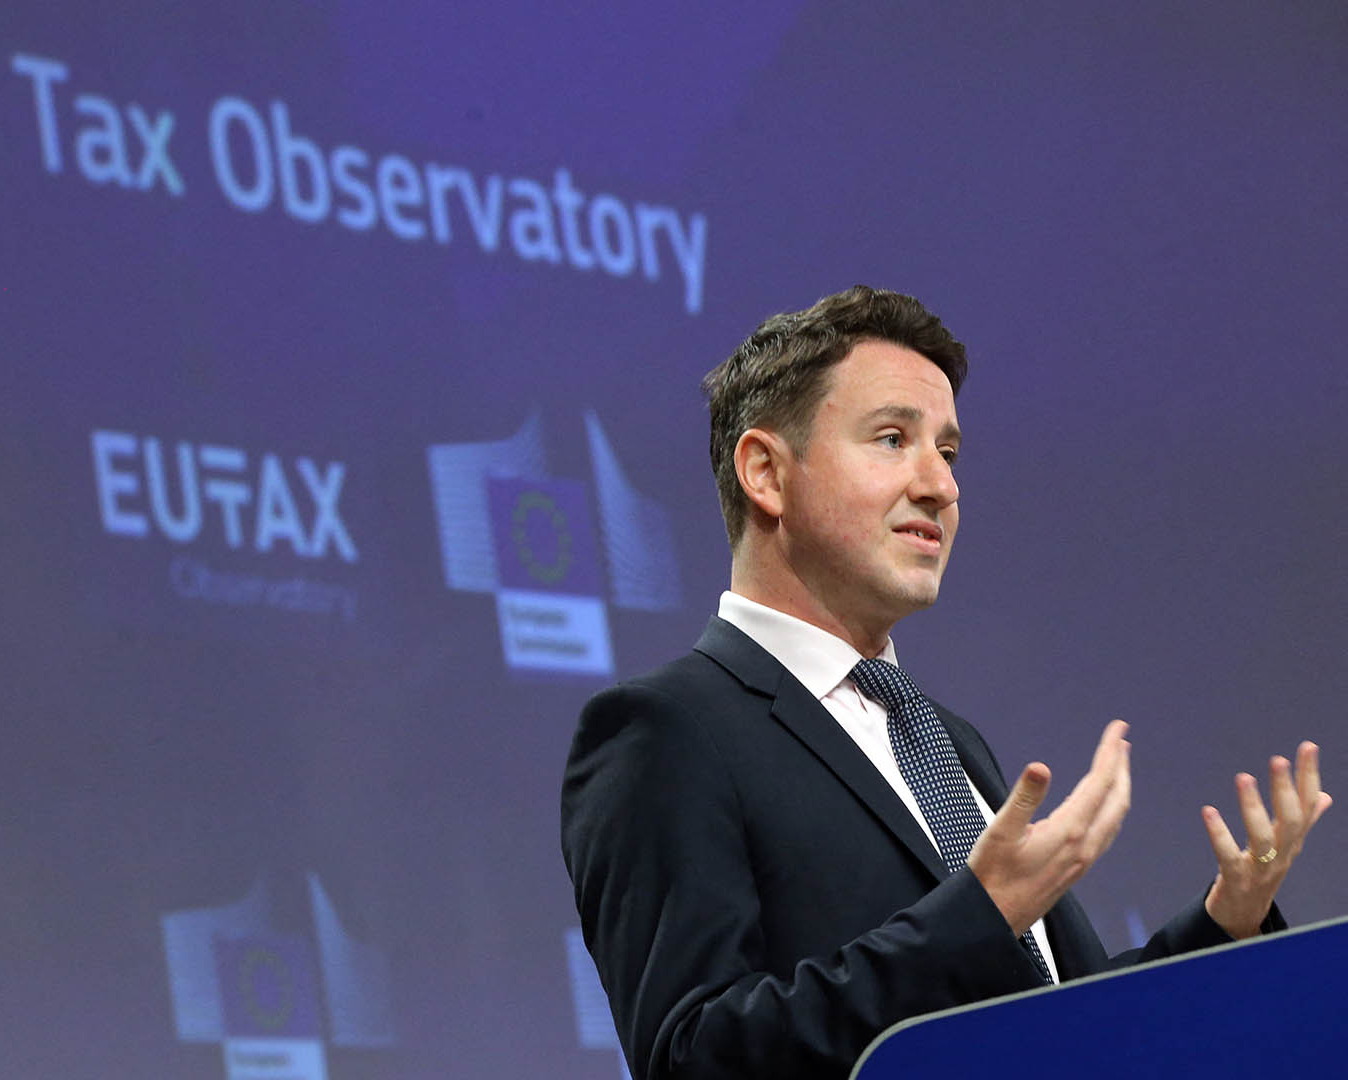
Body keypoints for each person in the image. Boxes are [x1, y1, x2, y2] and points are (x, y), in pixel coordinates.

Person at [559, 286, 1331, 1079]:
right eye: (893, 439)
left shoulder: (942, 738)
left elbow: (1064, 1023)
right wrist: (977, 917)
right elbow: (695, 1059)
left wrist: (1220, 930)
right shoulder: (666, 730)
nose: (941, 485)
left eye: (949, 452)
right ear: (765, 472)